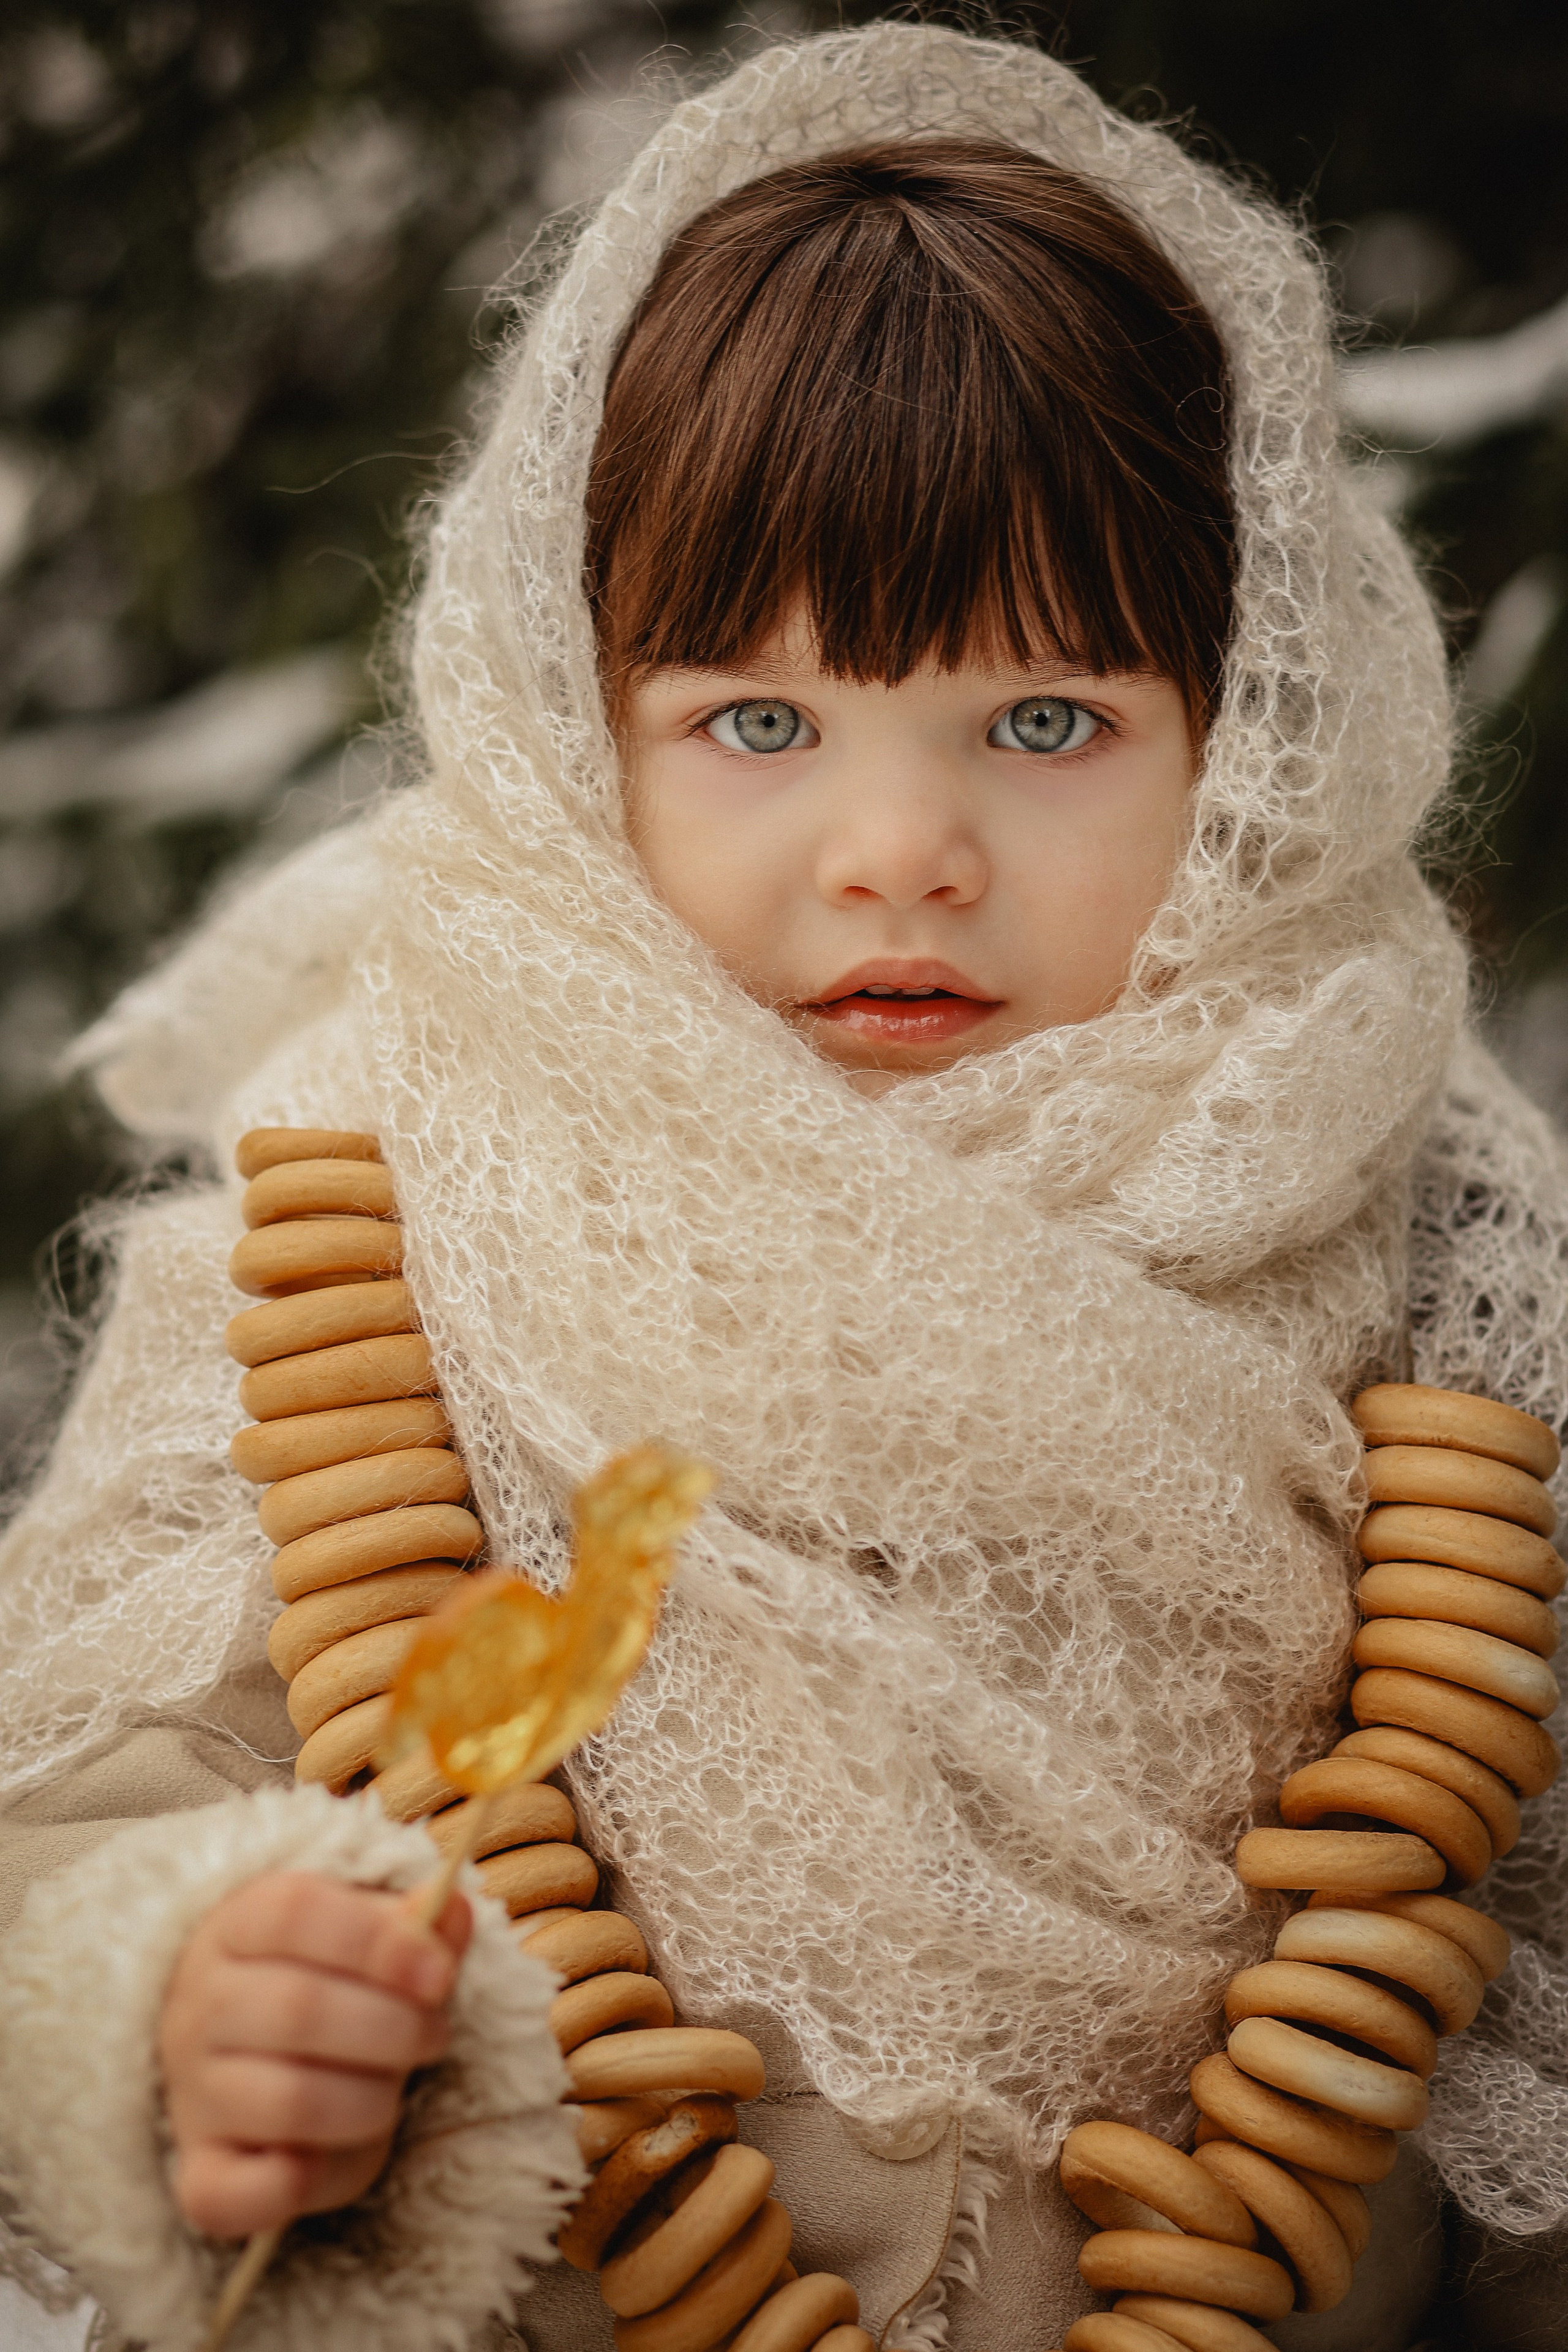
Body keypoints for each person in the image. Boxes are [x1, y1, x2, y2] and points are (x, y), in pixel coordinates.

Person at [2, 23, 1566, 2351]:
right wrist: (198, 2009)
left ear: (1252, 731)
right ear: (572, 718)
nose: (900, 852)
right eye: (758, 722)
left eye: (1050, 723)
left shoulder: (1446, 1253)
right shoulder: (367, 1207)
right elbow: (92, 1795)